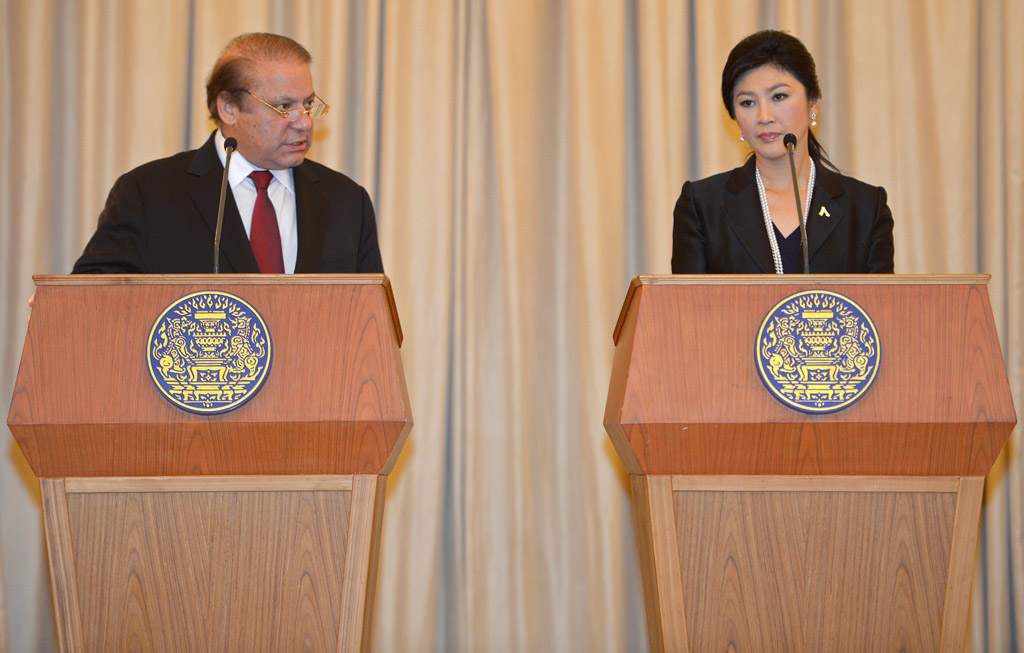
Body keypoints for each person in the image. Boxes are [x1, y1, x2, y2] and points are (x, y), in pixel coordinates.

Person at [73, 32, 383, 274]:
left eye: (307, 104)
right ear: (229, 108)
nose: (303, 122)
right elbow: (96, 293)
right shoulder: (148, 193)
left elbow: (371, 319)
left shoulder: (346, 202)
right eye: (284, 107)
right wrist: (60, 305)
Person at [671, 30, 894, 274]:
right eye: (747, 102)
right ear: (734, 116)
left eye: (779, 96)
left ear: (813, 103)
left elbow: (880, 308)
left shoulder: (865, 208)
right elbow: (686, 308)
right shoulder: (702, 206)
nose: (764, 117)